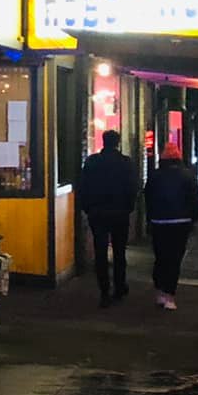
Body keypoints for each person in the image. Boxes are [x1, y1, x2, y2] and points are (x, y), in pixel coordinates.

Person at [77, 130, 139, 308]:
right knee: (120, 252)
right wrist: (129, 207)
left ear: (103, 142)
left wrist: (88, 208)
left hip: (97, 213)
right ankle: (119, 287)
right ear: (118, 143)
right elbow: (132, 187)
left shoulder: (92, 162)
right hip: (120, 213)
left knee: (100, 252)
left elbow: (83, 187)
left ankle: (104, 291)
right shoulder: (125, 163)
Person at [145, 139, 198, 310]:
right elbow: (195, 200)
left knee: (160, 257)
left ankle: (160, 291)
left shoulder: (155, 176)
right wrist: (194, 219)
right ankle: (169, 295)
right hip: (181, 222)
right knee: (175, 259)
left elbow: (147, 198)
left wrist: (150, 219)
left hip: (159, 222)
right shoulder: (188, 176)